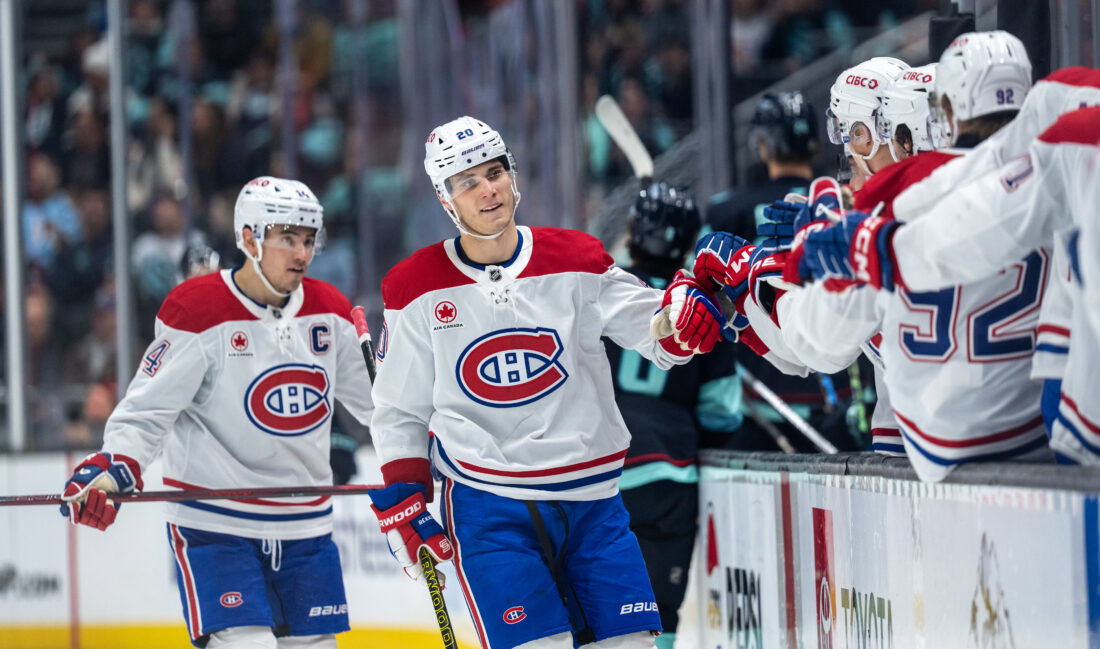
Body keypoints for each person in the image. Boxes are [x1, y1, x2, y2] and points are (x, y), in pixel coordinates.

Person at [367, 116, 724, 649]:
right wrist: (409, 503)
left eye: (494, 172)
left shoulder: (576, 259)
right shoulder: (414, 288)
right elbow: (400, 410)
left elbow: (657, 335)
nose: (487, 189)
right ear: (447, 200)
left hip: (595, 506)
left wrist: (685, 316)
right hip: (490, 508)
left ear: (512, 174)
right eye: (468, 182)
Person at [59, 176, 375, 649]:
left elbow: (383, 407)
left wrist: (435, 445)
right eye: (287, 238)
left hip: (306, 530)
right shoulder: (199, 310)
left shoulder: (329, 311)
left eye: (309, 240)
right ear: (249, 238)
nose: (302, 255)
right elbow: (147, 410)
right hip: (216, 527)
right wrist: (113, 467)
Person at [797, 32, 1062, 479]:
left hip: (927, 455)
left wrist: (775, 281)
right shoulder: (1062, 169)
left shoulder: (901, 200)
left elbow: (822, 341)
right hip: (1048, 444)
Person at [607, 181, 742, 649]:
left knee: (595, 609)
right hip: (671, 471)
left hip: (601, 473)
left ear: (632, 229)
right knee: (660, 614)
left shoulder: (602, 292)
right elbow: (722, 413)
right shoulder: (707, 309)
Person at [705, 91, 862, 452]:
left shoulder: (726, 211)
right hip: (840, 384)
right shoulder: (844, 199)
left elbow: (705, 291)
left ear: (762, 145)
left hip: (763, 393)